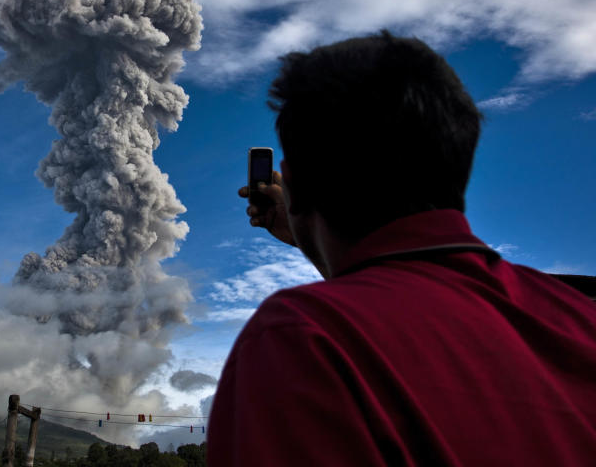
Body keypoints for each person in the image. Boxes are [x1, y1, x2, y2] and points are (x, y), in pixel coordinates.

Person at [207, 31, 596, 466]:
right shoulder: (579, 317)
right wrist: (307, 234)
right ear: (458, 162)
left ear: (293, 189)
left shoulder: (299, 341)